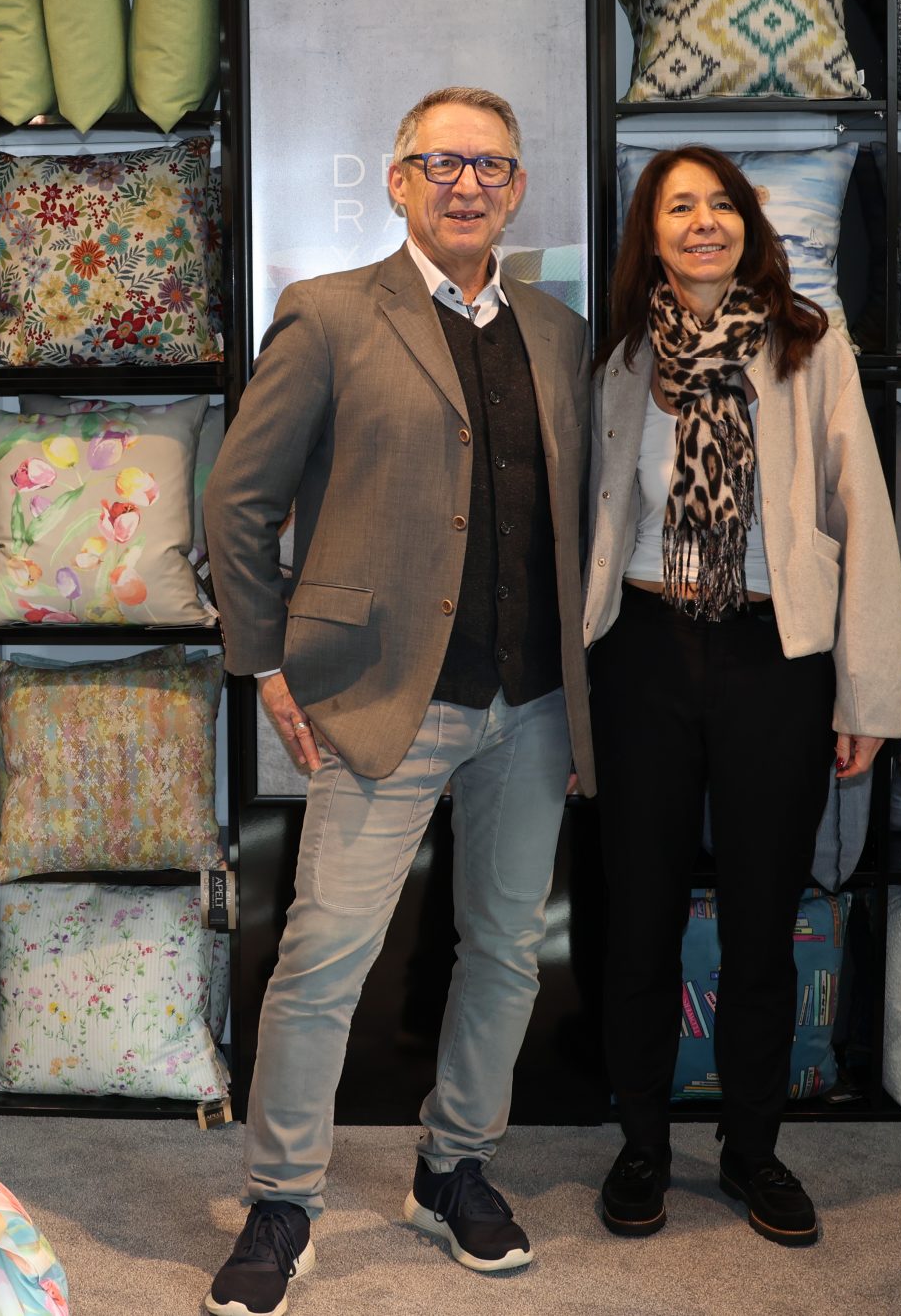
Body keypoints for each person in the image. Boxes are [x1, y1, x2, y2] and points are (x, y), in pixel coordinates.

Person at [201, 86, 593, 1315]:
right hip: (380, 697)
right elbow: (238, 502)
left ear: (517, 189)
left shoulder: (559, 332)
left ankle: (453, 1168)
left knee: (506, 953)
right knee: (323, 958)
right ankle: (281, 1200)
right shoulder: (328, 315)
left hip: (532, 704)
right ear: (398, 180)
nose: (467, 183)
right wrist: (265, 662)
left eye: (491, 165)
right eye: (442, 162)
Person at [585, 145, 901, 1248]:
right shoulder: (622, 356)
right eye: (679, 206)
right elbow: (593, 522)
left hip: (775, 653)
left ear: (748, 226)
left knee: (764, 921)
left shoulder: (808, 343)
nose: (703, 221)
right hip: (642, 650)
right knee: (638, 917)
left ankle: (754, 1148)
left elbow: (861, 510)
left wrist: (866, 693)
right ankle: (640, 1144)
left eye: (721, 203)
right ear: (651, 232)